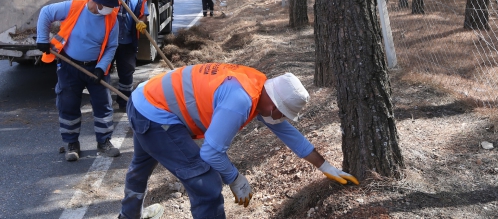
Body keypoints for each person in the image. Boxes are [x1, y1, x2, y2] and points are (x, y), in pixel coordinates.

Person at [117, 63, 358, 219]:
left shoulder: (257, 87)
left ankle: (128, 216)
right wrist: (235, 178)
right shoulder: (241, 102)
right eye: (283, 114)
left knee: (141, 167)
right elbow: (210, 153)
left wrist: (325, 166)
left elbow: (287, 132)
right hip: (155, 115)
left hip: (144, 99)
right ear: (274, 106)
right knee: (208, 184)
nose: (282, 119)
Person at [36, 0, 122, 162]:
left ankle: (104, 142)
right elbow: (45, 12)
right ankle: (71, 144)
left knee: (103, 105)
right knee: (68, 104)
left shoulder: (112, 18)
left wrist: (101, 67)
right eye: (108, 6)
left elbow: (112, 46)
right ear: (97, 2)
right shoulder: (73, 7)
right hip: (69, 66)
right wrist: (42, 39)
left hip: (95, 68)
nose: (110, 9)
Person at [89, 0, 152, 112]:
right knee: (102, 71)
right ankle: (101, 102)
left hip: (127, 41)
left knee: (127, 72)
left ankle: (124, 102)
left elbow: (144, 14)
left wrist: (141, 22)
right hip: (108, 39)